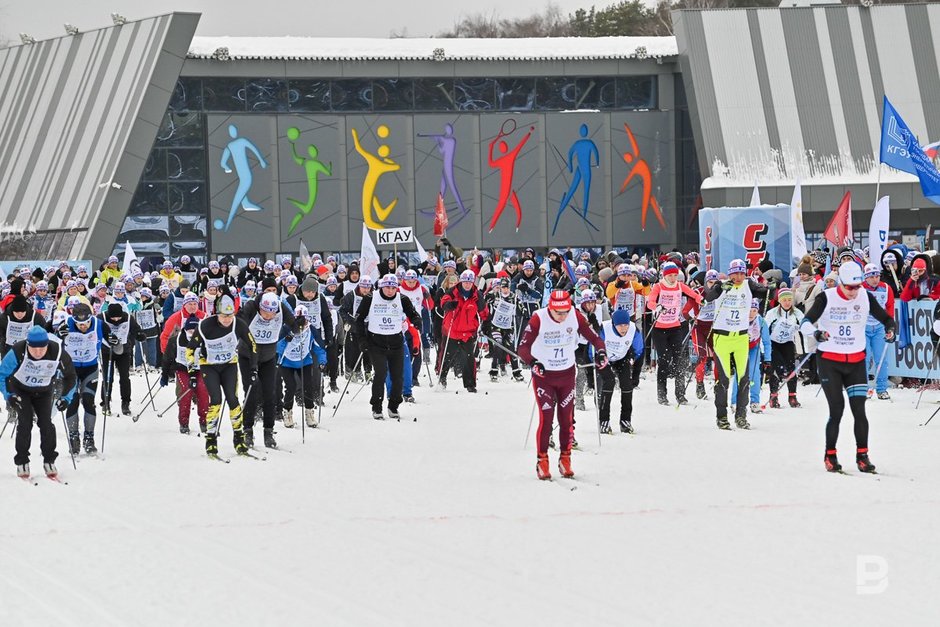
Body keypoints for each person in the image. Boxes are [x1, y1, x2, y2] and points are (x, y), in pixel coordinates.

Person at [799, 262, 896, 473]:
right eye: (849, 287)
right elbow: (805, 322)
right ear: (841, 283)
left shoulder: (865, 297)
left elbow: (887, 318)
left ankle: (862, 456)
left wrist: (890, 329)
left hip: (855, 362)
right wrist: (815, 334)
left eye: (857, 286)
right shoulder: (826, 297)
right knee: (837, 409)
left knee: (859, 411)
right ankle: (830, 454)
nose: (854, 291)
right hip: (830, 362)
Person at [518, 290, 607, 480]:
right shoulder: (538, 318)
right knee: (547, 418)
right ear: (550, 307)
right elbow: (522, 348)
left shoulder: (574, 315)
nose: (562, 316)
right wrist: (533, 362)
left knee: (566, 419)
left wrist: (600, 352)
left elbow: (595, 338)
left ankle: (565, 459)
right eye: (558, 312)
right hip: (545, 377)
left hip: (566, 375)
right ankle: (542, 461)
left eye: (565, 311)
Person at [0, 326, 77, 479]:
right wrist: (9, 395)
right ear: (27, 345)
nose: (38, 352)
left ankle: (49, 460)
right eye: (33, 349)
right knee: (25, 422)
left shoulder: (57, 352)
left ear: (47, 344)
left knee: (46, 423)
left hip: (43, 391)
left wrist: (66, 398)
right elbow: (3, 375)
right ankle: (22, 461)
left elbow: (71, 377)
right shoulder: (17, 350)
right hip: (21, 390)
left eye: (42, 348)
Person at [186, 295, 258, 458]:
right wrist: (191, 373)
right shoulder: (205, 326)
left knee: (233, 400)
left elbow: (252, 345)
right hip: (209, 366)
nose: (227, 320)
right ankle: (211, 440)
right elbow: (191, 349)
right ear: (217, 313)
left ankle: (239, 439)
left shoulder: (238, 324)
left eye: (230, 315)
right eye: (224, 316)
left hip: (229, 365)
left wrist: (253, 368)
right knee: (216, 400)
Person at [355, 274, 421, 420]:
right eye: (387, 287)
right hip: (376, 342)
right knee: (381, 373)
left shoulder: (402, 299)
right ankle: (376, 407)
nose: (390, 291)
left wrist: (417, 320)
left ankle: (393, 405)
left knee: (398, 376)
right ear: (381, 286)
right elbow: (358, 320)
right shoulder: (370, 298)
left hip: (396, 342)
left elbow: (412, 314)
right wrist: (362, 340)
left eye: (393, 287)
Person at [703, 259, 756, 430]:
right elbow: (708, 297)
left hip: (740, 338)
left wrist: (772, 284)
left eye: (742, 273)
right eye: (735, 274)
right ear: (730, 273)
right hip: (722, 338)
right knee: (724, 378)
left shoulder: (748, 285)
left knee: (744, 378)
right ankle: (722, 416)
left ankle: (741, 415)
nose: (739, 277)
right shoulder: (722, 285)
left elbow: (763, 291)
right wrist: (719, 288)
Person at [239, 292, 295, 443]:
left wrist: (299, 325)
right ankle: (247, 430)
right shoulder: (251, 306)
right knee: (251, 390)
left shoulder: (280, 307)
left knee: (270, 393)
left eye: (272, 313)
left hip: (269, 356)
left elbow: (294, 324)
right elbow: (238, 324)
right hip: (248, 356)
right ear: (259, 308)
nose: (268, 317)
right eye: (264, 313)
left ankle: (268, 431)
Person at [646, 261, 702, 405]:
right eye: (670, 275)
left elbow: (693, 294)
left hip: (675, 327)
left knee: (679, 360)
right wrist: (657, 307)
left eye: (675, 275)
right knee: (664, 360)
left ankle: (680, 394)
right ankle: (662, 394)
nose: (673, 278)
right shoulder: (658, 287)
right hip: (659, 329)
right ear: (665, 275)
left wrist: (700, 299)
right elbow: (650, 302)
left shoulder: (679, 286)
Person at [438, 270, 488, 392]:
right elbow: (443, 302)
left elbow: (484, 313)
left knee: (469, 358)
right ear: (461, 281)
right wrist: (449, 305)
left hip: (468, 332)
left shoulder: (477, 295)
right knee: (447, 356)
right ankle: (442, 377)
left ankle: (470, 384)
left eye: (469, 282)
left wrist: (486, 325)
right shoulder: (453, 291)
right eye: (465, 282)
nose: (467, 285)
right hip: (452, 330)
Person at [278, 305, 327, 427]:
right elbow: (276, 347)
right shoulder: (286, 328)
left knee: (308, 386)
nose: (302, 324)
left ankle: (309, 413)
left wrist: (322, 361)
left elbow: (319, 347)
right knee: (291, 386)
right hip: (287, 362)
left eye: (304, 320)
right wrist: (285, 340)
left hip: (304, 360)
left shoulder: (311, 330)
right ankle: (287, 413)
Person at [597, 309, 644, 434]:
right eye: (620, 325)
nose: (624, 328)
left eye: (626, 325)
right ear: (614, 324)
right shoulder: (604, 328)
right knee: (609, 381)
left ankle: (625, 421)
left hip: (621, 357)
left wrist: (635, 376)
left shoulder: (634, 330)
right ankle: (604, 421)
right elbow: (592, 350)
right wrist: (591, 376)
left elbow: (639, 351)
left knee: (627, 385)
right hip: (604, 358)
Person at [161, 315, 209, 434]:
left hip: (200, 370)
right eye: (190, 331)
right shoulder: (176, 340)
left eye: (195, 331)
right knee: (185, 392)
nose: (192, 334)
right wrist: (165, 375)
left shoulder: (204, 339)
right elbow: (167, 358)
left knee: (203, 391)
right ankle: (184, 422)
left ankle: (204, 421)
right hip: (183, 369)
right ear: (185, 329)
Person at [99, 303, 146, 416]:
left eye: (118, 317)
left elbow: (136, 329)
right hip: (107, 351)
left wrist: (140, 335)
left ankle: (125, 402)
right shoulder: (101, 318)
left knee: (124, 377)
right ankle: (105, 402)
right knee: (107, 377)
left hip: (123, 350)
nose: (116, 320)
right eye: (113, 318)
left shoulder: (128, 318)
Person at [764, 287, 805, 409]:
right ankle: (773, 396)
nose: (787, 302)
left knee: (792, 368)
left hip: (787, 343)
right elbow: (765, 328)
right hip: (774, 343)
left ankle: (792, 396)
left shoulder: (797, 312)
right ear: (780, 301)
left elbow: (805, 324)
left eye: (789, 300)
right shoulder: (773, 313)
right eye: (784, 300)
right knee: (776, 369)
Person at [729, 299, 770, 415]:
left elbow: (767, 342)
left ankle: (755, 401)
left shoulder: (761, 321)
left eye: (754, 310)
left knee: (754, 373)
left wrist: (768, 359)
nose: (751, 313)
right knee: (740, 373)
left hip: (753, 348)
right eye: (749, 310)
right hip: (740, 348)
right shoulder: (739, 320)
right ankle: (735, 402)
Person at [683, 269, 719, 399]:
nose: (713, 285)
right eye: (710, 282)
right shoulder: (698, 293)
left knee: (718, 358)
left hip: (715, 328)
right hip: (699, 328)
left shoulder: (721, 293)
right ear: (705, 282)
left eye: (716, 282)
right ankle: (699, 385)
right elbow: (685, 311)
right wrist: (692, 319)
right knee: (702, 357)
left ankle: (718, 385)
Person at [862, 263, 895, 400]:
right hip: (863, 327)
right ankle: (863, 389)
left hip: (879, 327)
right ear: (866, 277)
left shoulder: (886, 288)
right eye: (871, 277)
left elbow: (890, 308)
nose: (875, 279)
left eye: (877, 276)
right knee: (864, 358)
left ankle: (881, 389)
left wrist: (890, 327)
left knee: (881, 359)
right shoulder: (860, 289)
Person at [484, 277, 524, 382]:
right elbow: (484, 302)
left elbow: (520, 308)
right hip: (496, 326)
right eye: (503, 287)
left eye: (507, 287)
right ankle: (493, 370)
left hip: (508, 326)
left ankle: (516, 371)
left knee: (510, 348)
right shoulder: (495, 295)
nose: (505, 289)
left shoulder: (513, 297)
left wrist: (522, 309)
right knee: (498, 345)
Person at [339, 275, 373, 381]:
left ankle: (368, 371)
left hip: (369, 326)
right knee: (353, 349)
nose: (366, 290)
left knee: (368, 350)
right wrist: (348, 320)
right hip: (354, 326)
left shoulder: (373, 296)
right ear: (359, 286)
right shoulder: (351, 295)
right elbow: (342, 310)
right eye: (364, 287)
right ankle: (353, 370)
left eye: (368, 287)